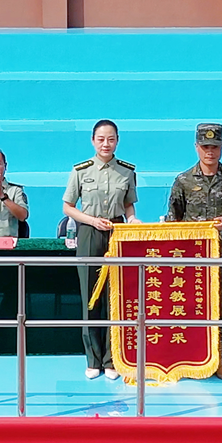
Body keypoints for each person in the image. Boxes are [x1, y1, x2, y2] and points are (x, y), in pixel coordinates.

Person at [165, 123, 222, 381]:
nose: (210, 152)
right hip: (190, 257)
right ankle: (188, 355)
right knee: (188, 304)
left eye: (214, 147)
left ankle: (219, 356)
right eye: (205, 147)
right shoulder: (183, 180)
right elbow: (172, 219)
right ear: (196, 147)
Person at [63, 119, 138, 380]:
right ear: (93, 141)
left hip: (117, 233)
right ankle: (93, 359)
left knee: (115, 296)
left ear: (117, 141)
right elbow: (68, 207)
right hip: (89, 231)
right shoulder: (80, 170)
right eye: (101, 139)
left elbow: (128, 205)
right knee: (91, 296)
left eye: (111, 139)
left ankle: (112, 359)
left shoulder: (126, 171)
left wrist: (132, 219)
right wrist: (92, 221)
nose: (106, 144)